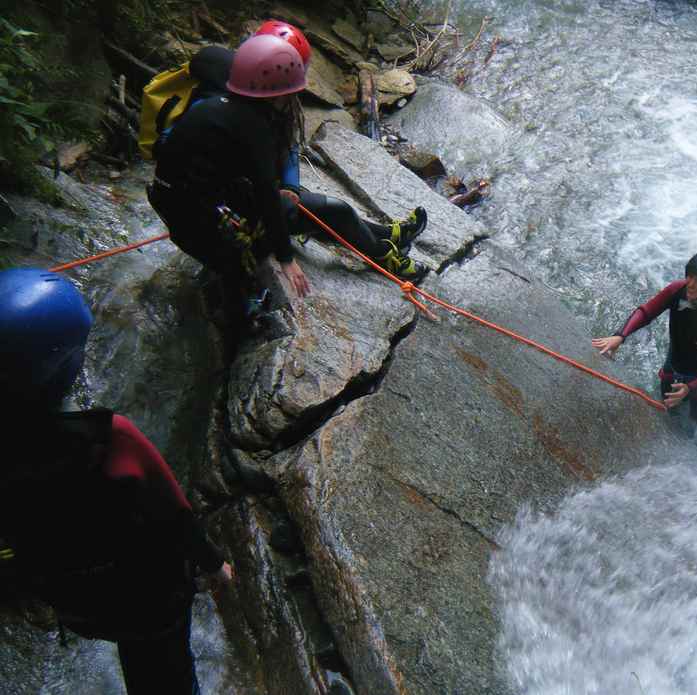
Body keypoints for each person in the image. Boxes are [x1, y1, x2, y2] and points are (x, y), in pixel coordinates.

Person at [0, 268, 233, 694]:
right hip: (148, 603)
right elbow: (175, 515)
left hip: (73, 600)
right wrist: (215, 565)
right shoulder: (113, 439)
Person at [147, 29, 428, 330]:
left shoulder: (228, 102)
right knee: (330, 213)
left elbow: (271, 158)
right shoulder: (251, 125)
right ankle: (384, 256)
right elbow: (267, 194)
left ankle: (387, 236)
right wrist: (285, 258)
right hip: (212, 216)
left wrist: (288, 187)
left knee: (314, 212)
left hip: (199, 206)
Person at [592, 250, 697, 431]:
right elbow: (646, 311)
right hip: (674, 367)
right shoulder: (677, 290)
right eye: (689, 276)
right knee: (667, 416)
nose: (690, 284)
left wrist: (690, 388)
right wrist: (620, 336)